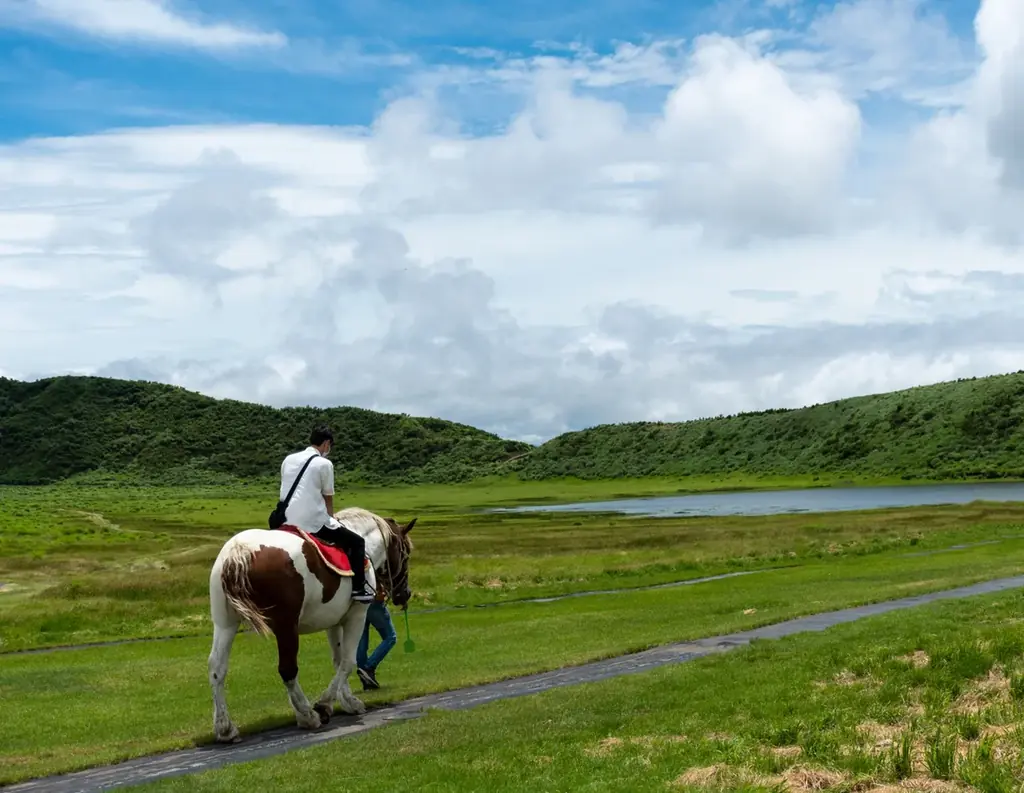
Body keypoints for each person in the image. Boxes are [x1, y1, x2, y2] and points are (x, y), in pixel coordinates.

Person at [280, 425, 375, 603]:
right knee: (357, 542)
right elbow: (328, 499)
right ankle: (358, 589)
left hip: (284, 520)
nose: (328, 450)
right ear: (325, 444)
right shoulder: (324, 464)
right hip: (311, 522)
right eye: (329, 446)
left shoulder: (288, 459)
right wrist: (332, 519)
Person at [356, 580, 396, 690]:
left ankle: (366, 679)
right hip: (375, 602)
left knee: (362, 642)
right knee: (390, 637)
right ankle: (368, 668)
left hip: (359, 602)